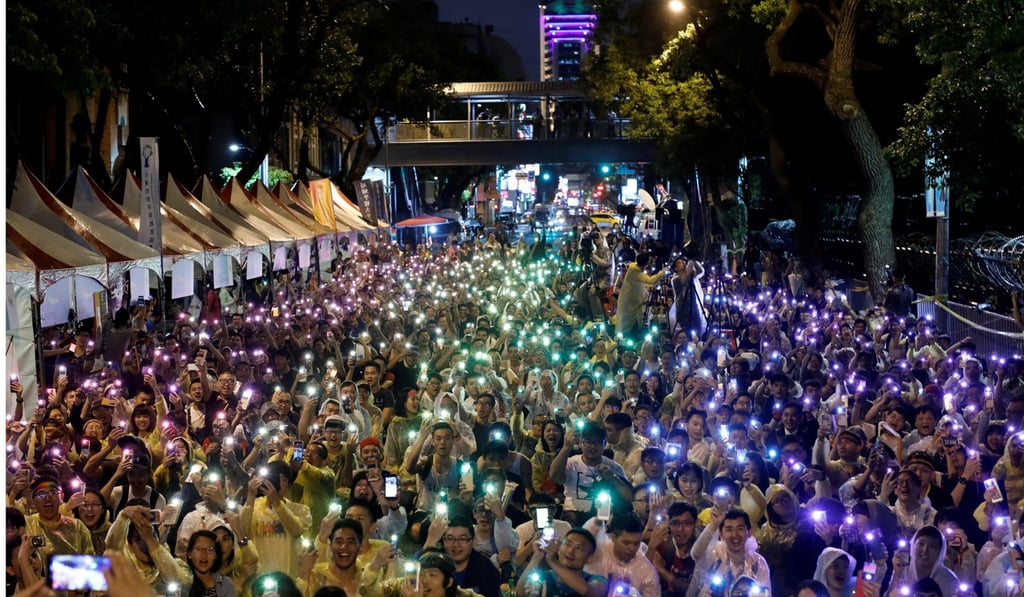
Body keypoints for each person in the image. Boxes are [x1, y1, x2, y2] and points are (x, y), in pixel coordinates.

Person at [686, 509, 770, 597]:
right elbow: (696, 554)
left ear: (749, 532)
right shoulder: (715, 553)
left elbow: (765, 594)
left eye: (740, 528)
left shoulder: (758, 563)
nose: (735, 534)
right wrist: (713, 525)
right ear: (721, 534)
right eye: (729, 529)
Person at [583, 513, 660, 597]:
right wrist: (598, 521)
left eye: (636, 544)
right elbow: (584, 541)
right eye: (626, 543)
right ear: (613, 538)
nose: (631, 548)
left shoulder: (647, 571)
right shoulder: (600, 551)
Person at [516, 527, 607, 597]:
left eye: (579, 548)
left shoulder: (597, 580)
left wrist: (553, 561)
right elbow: (520, 593)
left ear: (589, 558)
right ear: (559, 547)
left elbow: (586, 591)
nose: (570, 551)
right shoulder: (543, 577)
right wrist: (536, 557)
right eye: (568, 544)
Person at [615, 253, 668, 341]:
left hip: (630, 302)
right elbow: (651, 281)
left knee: (628, 322)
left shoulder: (633, 267)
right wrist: (662, 272)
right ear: (646, 263)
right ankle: (623, 341)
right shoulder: (636, 273)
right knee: (625, 325)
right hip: (629, 304)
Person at [180, 529, 236, 596]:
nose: (204, 555)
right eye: (199, 549)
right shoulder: (183, 581)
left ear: (216, 555)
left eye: (210, 549)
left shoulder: (225, 584)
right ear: (189, 554)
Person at [670, 257, 706, 337]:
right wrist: (690, 264)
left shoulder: (690, 274)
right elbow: (684, 279)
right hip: (683, 310)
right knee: (686, 333)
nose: (683, 263)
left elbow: (701, 271)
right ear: (676, 268)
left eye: (683, 261)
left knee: (697, 332)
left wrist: (694, 260)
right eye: (679, 263)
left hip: (694, 308)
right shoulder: (675, 279)